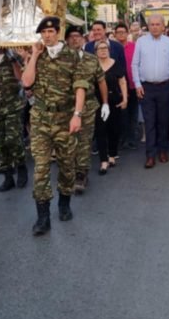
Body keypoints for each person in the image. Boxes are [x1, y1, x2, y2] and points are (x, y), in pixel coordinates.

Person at [19, 16, 88, 236]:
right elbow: (26, 82)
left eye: (50, 32)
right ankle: (43, 217)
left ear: (58, 32)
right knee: (40, 168)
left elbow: (80, 87)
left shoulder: (72, 56)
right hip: (40, 119)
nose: (47, 36)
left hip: (65, 118)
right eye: (43, 33)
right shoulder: (37, 56)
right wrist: (33, 56)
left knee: (67, 165)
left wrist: (77, 115)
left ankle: (64, 203)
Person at [132, 14, 169, 169]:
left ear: (163, 26)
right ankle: (150, 155)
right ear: (148, 26)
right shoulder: (141, 42)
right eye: (152, 24)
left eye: (158, 24)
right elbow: (135, 64)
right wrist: (137, 84)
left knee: (163, 120)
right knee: (149, 121)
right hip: (146, 87)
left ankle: (163, 150)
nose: (155, 27)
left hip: (165, 86)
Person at [67, 26, 108, 194]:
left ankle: (81, 174)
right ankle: (69, 170)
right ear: (66, 40)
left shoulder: (91, 59)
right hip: (67, 107)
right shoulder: (61, 60)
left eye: (78, 36)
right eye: (71, 36)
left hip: (88, 106)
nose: (75, 39)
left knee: (84, 141)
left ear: (83, 39)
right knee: (68, 141)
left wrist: (105, 103)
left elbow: (101, 81)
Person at [0, 48, 28, 192]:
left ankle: (21, 166)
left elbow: (21, 78)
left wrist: (13, 60)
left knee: (13, 140)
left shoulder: (13, 56)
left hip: (12, 106)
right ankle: (7, 175)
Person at [94, 41, 127, 175]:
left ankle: (112, 155)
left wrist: (125, 98)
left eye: (105, 48)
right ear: (96, 51)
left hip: (114, 101)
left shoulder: (116, 63)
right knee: (100, 130)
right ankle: (103, 160)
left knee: (114, 129)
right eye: (100, 48)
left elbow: (122, 81)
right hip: (98, 102)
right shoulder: (93, 65)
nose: (103, 50)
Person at [114, 22, 139, 150]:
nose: (121, 35)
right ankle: (122, 138)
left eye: (123, 32)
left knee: (133, 113)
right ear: (115, 34)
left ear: (127, 33)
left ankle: (132, 139)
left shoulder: (134, 47)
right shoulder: (112, 48)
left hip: (133, 84)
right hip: (118, 86)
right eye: (118, 32)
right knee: (121, 114)